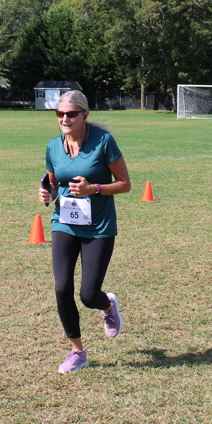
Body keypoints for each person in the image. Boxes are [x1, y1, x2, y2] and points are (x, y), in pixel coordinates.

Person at [38, 90, 131, 373]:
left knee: (89, 295)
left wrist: (94, 189)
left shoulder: (103, 142)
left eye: (71, 114)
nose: (64, 119)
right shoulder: (54, 146)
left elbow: (125, 184)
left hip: (98, 227)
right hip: (64, 223)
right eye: (60, 114)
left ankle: (107, 306)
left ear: (85, 115)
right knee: (61, 287)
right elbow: (54, 184)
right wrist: (47, 193)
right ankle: (77, 352)